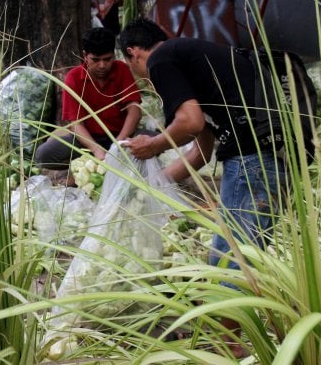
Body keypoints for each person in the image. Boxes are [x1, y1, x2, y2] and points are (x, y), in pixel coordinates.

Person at [119, 18, 289, 357]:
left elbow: (190, 122)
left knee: (232, 260)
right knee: (231, 256)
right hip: (270, 159)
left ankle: (231, 348)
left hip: (254, 161)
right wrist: (151, 184)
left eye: (129, 63)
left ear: (132, 52)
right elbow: (202, 148)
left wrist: (152, 145)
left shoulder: (161, 59)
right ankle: (237, 340)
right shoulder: (196, 61)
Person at [35, 27, 142, 169]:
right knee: (43, 155)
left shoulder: (122, 69)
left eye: (107, 59)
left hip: (121, 136)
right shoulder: (73, 78)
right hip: (87, 140)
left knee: (158, 141)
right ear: (85, 55)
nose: (102, 65)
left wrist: (118, 145)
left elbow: (135, 111)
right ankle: (81, 168)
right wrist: (96, 150)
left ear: (114, 55)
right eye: (96, 60)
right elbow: (75, 124)